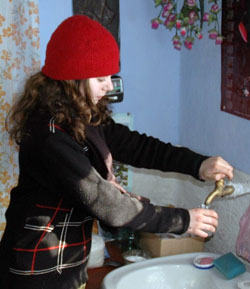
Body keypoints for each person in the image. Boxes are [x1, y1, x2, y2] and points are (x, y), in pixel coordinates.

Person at [0, 15, 233, 289]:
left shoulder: (81, 115)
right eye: (101, 78)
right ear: (71, 79)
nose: (110, 85)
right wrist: (185, 221)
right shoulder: (49, 134)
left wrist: (198, 164)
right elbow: (108, 203)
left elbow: (138, 146)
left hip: (68, 262)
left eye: (111, 75)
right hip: (36, 268)